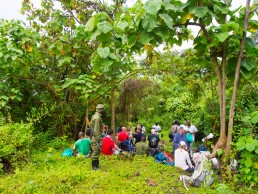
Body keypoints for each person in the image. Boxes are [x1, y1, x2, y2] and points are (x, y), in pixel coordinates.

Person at [91, 104, 105, 170]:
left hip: (95, 136)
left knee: (96, 151)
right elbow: (96, 130)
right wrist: (100, 139)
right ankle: (95, 167)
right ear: (101, 110)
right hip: (96, 137)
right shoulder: (97, 118)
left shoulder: (94, 116)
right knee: (96, 152)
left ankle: (96, 165)